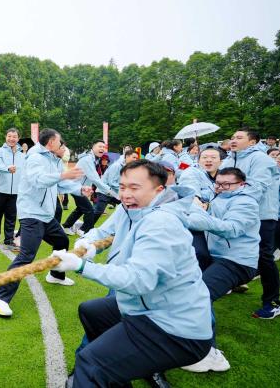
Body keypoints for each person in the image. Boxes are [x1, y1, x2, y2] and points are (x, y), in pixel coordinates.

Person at [54, 160, 213, 387]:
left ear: (159, 190)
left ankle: (104, 371)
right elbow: (104, 231)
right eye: (122, 187)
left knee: (90, 364)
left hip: (175, 327)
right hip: (148, 305)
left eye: (134, 187)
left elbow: (138, 280)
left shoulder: (162, 223)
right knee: (92, 311)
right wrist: (87, 242)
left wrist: (81, 266)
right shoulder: (129, 209)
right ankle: (117, 372)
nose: (126, 194)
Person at [0, 129, 88, 317]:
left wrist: (80, 189)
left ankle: (55, 275)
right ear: (51, 142)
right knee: (26, 256)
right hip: (32, 214)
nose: (62, 145)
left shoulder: (53, 159)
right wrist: (63, 176)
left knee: (61, 241)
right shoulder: (35, 157)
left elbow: (59, 184)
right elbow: (39, 180)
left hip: (46, 215)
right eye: (60, 142)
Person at [183, 167, 260, 372]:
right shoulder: (217, 195)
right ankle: (193, 343)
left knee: (200, 295)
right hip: (217, 257)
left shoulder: (246, 202)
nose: (220, 187)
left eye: (227, 184)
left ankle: (209, 353)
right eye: (218, 183)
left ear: (241, 184)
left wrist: (200, 217)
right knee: (190, 292)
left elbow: (233, 229)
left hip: (237, 261)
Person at [221, 128, 280, 319]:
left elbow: (256, 186)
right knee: (232, 250)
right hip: (235, 214)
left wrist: (232, 195)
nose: (233, 140)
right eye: (232, 137)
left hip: (262, 215)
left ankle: (272, 302)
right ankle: (234, 282)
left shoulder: (261, 159)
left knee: (263, 256)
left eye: (239, 137)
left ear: (253, 142)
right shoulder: (229, 159)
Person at [179, 145, 224, 269]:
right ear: (198, 160)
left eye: (213, 157)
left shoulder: (225, 176)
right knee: (201, 254)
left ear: (221, 162)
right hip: (196, 220)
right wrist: (195, 198)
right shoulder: (192, 171)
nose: (208, 160)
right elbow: (189, 186)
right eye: (204, 157)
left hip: (217, 221)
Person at [63, 140, 118, 236]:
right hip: (77, 188)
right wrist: (109, 191)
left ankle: (66, 226)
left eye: (104, 147)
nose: (102, 149)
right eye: (99, 146)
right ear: (93, 147)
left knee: (80, 209)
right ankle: (85, 230)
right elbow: (95, 178)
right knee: (89, 210)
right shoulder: (87, 160)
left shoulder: (93, 159)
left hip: (80, 188)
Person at [0, 128, 25, 251]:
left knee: (11, 216)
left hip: (15, 191)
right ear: (6, 137)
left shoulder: (22, 155)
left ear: (18, 138)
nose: (11, 139)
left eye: (14, 137)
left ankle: (9, 240)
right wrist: (7, 168)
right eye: (9, 136)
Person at [88, 149, 139, 226]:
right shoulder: (117, 166)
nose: (135, 159)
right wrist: (124, 191)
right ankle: (85, 228)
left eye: (136, 158)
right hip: (104, 192)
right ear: (127, 157)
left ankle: (124, 226)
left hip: (113, 193)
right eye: (134, 157)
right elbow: (112, 182)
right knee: (98, 212)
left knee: (128, 206)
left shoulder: (128, 167)